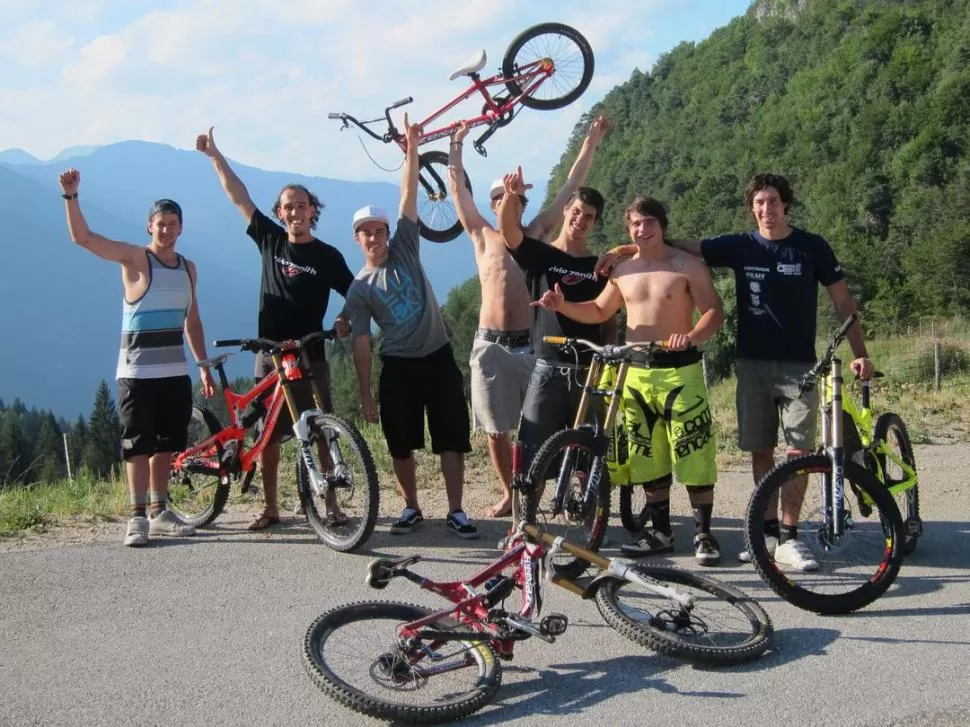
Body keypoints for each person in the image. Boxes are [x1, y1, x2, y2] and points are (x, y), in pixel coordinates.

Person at [596, 173, 874, 570]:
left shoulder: (812, 247)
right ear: (752, 209)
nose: (767, 209)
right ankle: (767, 532)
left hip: (800, 367)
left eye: (773, 201)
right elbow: (674, 245)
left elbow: (844, 303)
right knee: (761, 452)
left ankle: (791, 539)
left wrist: (861, 353)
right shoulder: (742, 246)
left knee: (798, 452)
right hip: (752, 365)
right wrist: (625, 247)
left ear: (785, 204)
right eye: (759, 203)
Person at [535, 196, 725, 565]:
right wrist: (562, 306)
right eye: (635, 224)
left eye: (649, 222)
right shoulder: (622, 271)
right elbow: (598, 310)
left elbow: (714, 311)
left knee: (694, 451)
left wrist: (694, 336)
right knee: (646, 454)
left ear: (662, 224)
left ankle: (704, 534)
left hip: (680, 368)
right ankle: (660, 532)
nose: (643, 230)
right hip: (635, 370)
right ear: (629, 229)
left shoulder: (686, 265)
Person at [447, 115, 612, 518]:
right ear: (495, 203)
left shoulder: (538, 237)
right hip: (490, 343)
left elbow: (570, 190)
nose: (510, 204)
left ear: (524, 203)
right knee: (496, 429)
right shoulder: (483, 236)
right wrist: (455, 146)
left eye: (517, 199)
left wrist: (590, 144)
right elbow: (457, 192)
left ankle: (573, 491)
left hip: (532, 346)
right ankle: (510, 493)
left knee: (545, 426)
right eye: (503, 199)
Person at [195, 127, 353, 531]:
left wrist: (344, 319)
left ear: (312, 210)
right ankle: (270, 508)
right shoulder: (270, 240)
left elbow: (353, 295)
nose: (295, 212)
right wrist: (215, 156)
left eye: (302, 206)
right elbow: (238, 196)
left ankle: (331, 505)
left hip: (310, 353)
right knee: (268, 437)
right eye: (288, 207)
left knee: (321, 430)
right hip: (270, 354)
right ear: (280, 213)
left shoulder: (328, 256)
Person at [59, 168, 216, 547]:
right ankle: (136, 519)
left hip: (175, 371)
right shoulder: (135, 259)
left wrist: (203, 364)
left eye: (173, 224)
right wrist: (71, 196)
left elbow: (192, 320)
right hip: (137, 372)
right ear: (150, 226)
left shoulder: (188, 269)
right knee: (137, 445)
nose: (167, 230)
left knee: (165, 444)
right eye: (161, 224)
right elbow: (84, 238)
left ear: (181, 228)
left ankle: (160, 512)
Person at [343, 115, 478, 539]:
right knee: (400, 442)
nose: (374, 237)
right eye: (365, 233)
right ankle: (412, 507)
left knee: (451, 436)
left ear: (388, 233)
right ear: (357, 240)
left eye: (378, 230)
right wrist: (366, 393)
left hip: (437, 356)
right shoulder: (359, 289)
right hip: (398, 366)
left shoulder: (405, 245)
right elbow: (361, 344)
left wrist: (413, 149)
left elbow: (407, 195)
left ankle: (456, 510)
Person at [496, 167, 615, 476]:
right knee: (531, 460)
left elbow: (608, 319)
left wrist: (610, 359)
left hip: (589, 372)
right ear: (565, 210)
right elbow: (509, 233)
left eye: (589, 216)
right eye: (576, 211)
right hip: (547, 368)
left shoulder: (599, 266)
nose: (580, 219)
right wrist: (511, 197)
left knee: (588, 459)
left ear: (595, 222)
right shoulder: (541, 255)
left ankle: (588, 520)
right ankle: (523, 523)